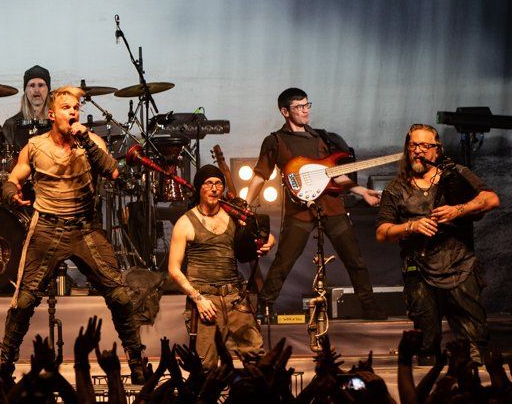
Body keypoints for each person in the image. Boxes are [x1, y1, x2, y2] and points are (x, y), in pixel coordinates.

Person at [0, 85, 146, 381]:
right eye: (66, 108)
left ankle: (137, 361)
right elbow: (14, 177)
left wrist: (87, 141)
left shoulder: (91, 141)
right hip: (47, 228)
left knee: (119, 296)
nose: (73, 113)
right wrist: (10, 193)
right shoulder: (35, 145)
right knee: (24, 301)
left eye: (76, 108)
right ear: (52, 114)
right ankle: (4, 366)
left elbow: (113, 172)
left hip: (84, 228)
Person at [247, 87, 385, 320]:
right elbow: (260, 175)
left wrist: (362, 191)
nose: (305, 111)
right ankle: (264, 309)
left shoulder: (322, 138)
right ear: (285, 112)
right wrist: (245, 204)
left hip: (331, 207)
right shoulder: (275, 141)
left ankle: (370, 308)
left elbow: (335, 175)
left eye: (307, 105)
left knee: (355, 259)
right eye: (299, 107)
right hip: (299, 211)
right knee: (284, 261)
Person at [375, 124, 499, 364]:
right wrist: (411, 226)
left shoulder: (456, 175)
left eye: (425, 145)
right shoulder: (396, 189)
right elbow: (382, 232)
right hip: (420, 271)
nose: (418, 151)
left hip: (460, 267)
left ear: (437, 150)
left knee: (473, 344)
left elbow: (491, 199)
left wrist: (457, 210)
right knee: (426, 346)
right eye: (413, 145)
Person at [168, 165, 274, 367]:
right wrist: (198, 299)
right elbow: (174, 269)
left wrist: (267, 243)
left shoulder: (233, 216)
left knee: (256, 358)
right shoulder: (186, 223)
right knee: (206, 366)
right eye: (208, 183)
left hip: (235, 298)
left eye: (218, 184)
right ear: (199, 188)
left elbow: (265, 234)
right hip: (205, 300)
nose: (214, 188)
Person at [0, 65, 51, 149]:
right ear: (25, 90)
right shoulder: (11, 124)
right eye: (32, 85)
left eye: (41, 85)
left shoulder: (57, 123)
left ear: (48, 89)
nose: (36, 90)